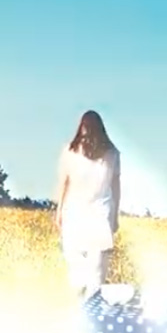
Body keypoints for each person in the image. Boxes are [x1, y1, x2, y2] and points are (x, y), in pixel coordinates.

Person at [54, 110, 121, 299]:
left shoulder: (72, 150)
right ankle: (90, 308)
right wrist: (114, 215)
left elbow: (65, 182)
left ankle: (82, 303)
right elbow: (115, 186)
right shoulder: (112, 153)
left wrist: (59, 210)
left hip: (78, 212)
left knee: (77, 263)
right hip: (97, 212)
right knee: (95, 269)